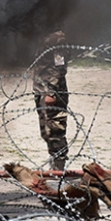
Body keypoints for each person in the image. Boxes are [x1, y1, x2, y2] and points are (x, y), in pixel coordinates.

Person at [32, 29, 69, 171]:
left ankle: (59, 169)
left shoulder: (57, 38)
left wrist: (51, 91)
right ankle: (54, 165)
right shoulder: (43, 35)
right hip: (41, 90)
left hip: (53, 92)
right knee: (46, 132)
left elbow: (60, 65)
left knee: (55, 131)